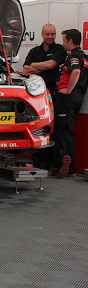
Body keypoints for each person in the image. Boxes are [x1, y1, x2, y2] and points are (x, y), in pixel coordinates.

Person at [51, 29, 88, 178]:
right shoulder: (84, 56)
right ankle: (68, 166)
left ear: (71, 41)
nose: (63, 44)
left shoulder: (74, 56)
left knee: (62, 131)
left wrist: (68, 90)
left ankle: (65, 161)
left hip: (67, 98)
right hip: (78, 97)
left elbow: (76, 72)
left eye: (64, 41)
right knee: (67, 130)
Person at [22, 24, 66, 99]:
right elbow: (26, 69)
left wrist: (33, 64)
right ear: (42, 34)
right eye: (47, 34)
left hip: (53, 91)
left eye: (52, 34)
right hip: (35, 91)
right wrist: (45, 67)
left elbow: (50, 65)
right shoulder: (34, 51)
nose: (50, 37)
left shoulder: (60, 49)